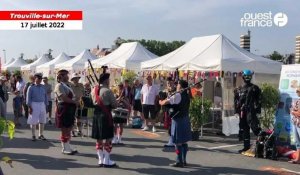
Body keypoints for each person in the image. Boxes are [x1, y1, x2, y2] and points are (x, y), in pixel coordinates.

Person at [159, 80, 192, 167]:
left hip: (178, 120)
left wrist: (161, 102)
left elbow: (167, 102)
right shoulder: (187, 95)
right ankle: (184, 160)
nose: (177, 85)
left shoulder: (178, 95)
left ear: (180, 86)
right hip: (185, 118)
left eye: (178, 84)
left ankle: (179, 161)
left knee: (177, 142)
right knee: (184, 141)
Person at [91, 72, 118, 167]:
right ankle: (107, 160)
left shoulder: (94, 89)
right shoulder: (108, 90)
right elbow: (115, 105)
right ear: (106, 80)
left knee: (99, 138)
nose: (109, 81)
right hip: (106, 115)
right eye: (109, 79)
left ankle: (100, 160)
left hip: (96, 115)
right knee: (108, 137)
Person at [235, 69, 262, 153]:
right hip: (243, 112)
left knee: (255, 129)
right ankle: (246, 147)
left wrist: (257, 110)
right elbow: (238, 101)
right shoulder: (241, 88)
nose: (247, 78)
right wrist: (237, 110)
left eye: (249, 76)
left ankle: (263, 145)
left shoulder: (254, 88)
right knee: (245, 129)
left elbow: (259, 100)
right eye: (246, 76)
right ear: (243, 77)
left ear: (251, 77)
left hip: (251, 112)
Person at [54, 69, 79, 155]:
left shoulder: (68, 85)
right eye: (66, 75)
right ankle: (64, 147)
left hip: (69, 108)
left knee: (69, 127)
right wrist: (74, 102)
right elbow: (64, 98)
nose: (68, 76)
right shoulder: (59, 86)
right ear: (61, 76)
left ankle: (67, 144)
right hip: (64, 108)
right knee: (64, 128)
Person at [26, 73, 48, 141]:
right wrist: (29, 107)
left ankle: (40, 134)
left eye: (40, 79)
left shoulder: (43, 87)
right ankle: (33, 135)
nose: (39, 80)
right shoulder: (31, 87)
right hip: (34, 104)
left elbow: (45, 96)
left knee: (42, 120)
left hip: (42, 104)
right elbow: (28, 98)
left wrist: (46, 105)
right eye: (38, 79)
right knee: (33, 120)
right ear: (35, 78)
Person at [161, 77, 176, 147]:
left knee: (173, 126)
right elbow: (161, 101)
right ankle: (171, 140)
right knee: (168, 126)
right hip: (167, 110)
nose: (169, 84)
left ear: (173, 83)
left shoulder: (176, 91)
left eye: (171, 83)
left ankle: (172, 141)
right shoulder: (164, 91)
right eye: (168, 83)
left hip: (174, 111)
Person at [289, 86, 300, 164]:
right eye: (296, 91)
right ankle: (298, 159)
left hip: (298, 123)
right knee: (297, 141)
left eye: (298, 91)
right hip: (295, 122)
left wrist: (293, 112)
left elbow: (298, 113)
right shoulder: (298, 101)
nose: (297, 92)